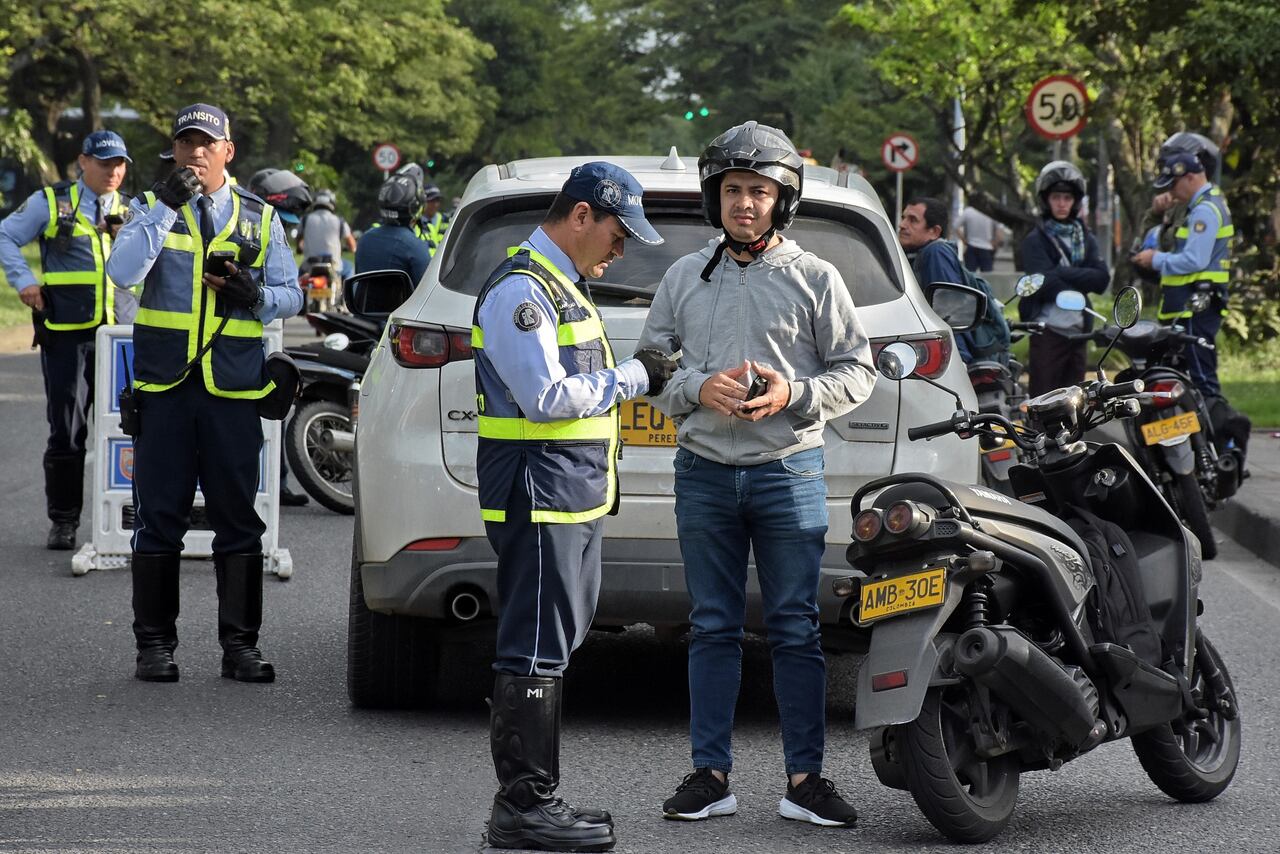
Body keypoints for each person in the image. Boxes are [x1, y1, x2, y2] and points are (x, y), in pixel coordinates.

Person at [638, 121, 874, 828]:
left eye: (760, 192)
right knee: (710, 627)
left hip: (787, 471)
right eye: (734, 190)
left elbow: (856, 371)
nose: (746, 203)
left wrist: (795, 394)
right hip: (704, 472)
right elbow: (654, 362)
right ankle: (710, 775)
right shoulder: (684, 276)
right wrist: (695, 389)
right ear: (716, 199)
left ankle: (806, 781)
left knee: (796, 629)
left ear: (782, 201)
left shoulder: (815, 278)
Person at [473, 161, 675, 852]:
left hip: (567, 493)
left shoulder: (563, 288)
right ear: (582, 216)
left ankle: (536, 800)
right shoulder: (524, 291)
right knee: (532, 648)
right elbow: (548, 399)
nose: (622, 250)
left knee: (550, 645)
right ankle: (523, 809)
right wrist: (638, 376)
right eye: (619, 234)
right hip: (538, 494)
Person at [105, 103, 303, 684]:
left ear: (228, 152)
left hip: (234, 389)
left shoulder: (260, 219)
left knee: (238, 519)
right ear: (174, 149)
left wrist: (255, 293)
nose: (196, 152)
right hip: (165, 388)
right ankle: (154, 647)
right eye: (186, 142)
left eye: (207, 143)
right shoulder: (150, 209)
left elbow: (292, 296)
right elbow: (123, 272)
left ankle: (240, 648)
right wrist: (163, 207)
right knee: (159, 517)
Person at [0, 130, 132, 550]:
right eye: (105, 162)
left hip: (123, 337)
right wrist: (23, 282)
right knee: (68, 431)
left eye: (120, 164)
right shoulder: (51, 202)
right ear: (83, 162)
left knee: (134, 430)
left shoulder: (135, 209)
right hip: (68, 336)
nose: (114, 171)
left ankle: (135, 518)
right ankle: (64, 520)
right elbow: (5, 235)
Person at [1132, 135, 1233, 397]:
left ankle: (1223, 436)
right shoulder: (1196, 206)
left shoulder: (1204, 211)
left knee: (1202, 379)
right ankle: (1204, 435)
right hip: (1187, 307)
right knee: (1187, 379)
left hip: (1197, 307)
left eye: (1174, 184)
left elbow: (1194, 260)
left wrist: (1155, 259)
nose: (1171, 192)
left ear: (1190, 177)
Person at [1018, 161, 1109, 396]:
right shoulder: (1035, 240)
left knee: (1076, 401)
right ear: (1046, 199)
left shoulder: (1086, 238)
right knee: (1044, 400)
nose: (1061, 203)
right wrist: (1077, 278)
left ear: (1075, 201)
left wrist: (1059, 272)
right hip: (1048, 330)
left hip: (1079, 330)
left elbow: (1101, 280)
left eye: (1067, 198)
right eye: (1056, 197)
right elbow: (1043, 283)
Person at [898, 197, 1010, 365]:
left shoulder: (936, 253)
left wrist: (958, 360)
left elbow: (951, 311)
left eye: (913, 220)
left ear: (934, 232)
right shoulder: (919, 254)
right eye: (903, 217)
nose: (902, 225)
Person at [353, 174, 432, 285]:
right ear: (416, 207)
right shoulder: (416, 247)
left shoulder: (364, 240)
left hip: (364, 303)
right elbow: (425, 292)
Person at [298, 188, 356, 279]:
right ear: (332, 203)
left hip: (309, 266)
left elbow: (299, 241)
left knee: (296, 279)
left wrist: (299, 248)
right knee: (350, 267)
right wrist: (351, 249)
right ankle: (348, 292)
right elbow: (353, 246)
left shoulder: (305, 219)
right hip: (333, 266)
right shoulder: (339, 221)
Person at [957, 203, 1002, 272]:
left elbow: (956, 226)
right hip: (986, 248)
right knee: (988, 277)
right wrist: (995, 244)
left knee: (970, 276)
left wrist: (964, 240)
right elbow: (999, 232)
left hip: (971, 247)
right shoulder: (990, 212)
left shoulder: (968, 211)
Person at [419, 183, 450, 256]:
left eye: (437, 200)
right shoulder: (415, 223)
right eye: (431, 201)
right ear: (422, 201)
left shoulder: (447, 220)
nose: (435, 204)